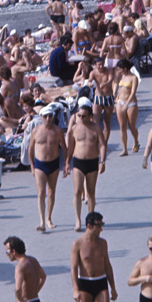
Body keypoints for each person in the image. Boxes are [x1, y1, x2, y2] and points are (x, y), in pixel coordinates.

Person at [71, 212, 118, 302]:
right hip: (85, 283)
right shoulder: (78, 244)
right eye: (99, 225)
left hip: (101, 282)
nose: (101, 229)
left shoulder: (103, 243)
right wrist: (75, 289)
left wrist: (113, 287)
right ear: (89, 226)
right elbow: (74, 268)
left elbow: (107, 265)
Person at [66, 98, 107, 229]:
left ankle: (90, 218)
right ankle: (77, 220)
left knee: (91, 192)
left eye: (84, 116)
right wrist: (67, 162)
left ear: (90, 116)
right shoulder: (74, 129)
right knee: (77, 191)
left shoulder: (96, 128)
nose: (81, 118)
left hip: (92, 162)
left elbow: (102, 145)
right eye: (79, 115)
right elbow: (71, 147)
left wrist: (102, 161)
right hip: (78, 162)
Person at [30, 106, 65, 232]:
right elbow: (30, 150)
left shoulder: (58, 131)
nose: (48, 119)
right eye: (45, 116)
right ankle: (42, 221)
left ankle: (49, 218)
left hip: (54, 163)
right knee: (41, 193)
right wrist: (32, 166)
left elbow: (64, 148)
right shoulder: (36, 131)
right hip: (40, 163)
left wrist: (66, 164)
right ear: (41, 117)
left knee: (51, 191)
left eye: (50, 116)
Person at [114, 59, 141, 155]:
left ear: (125, 68)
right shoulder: (122, 76)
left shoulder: (134, 78)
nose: (119, 71)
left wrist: (126, 104)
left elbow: (133, 92)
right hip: (120, 101)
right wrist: (115, 94)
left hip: (131, 103)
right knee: (122, 126)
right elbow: (119, 86)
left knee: (131, 126)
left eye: (120, 69)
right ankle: (124, 149)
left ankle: (136, 141)